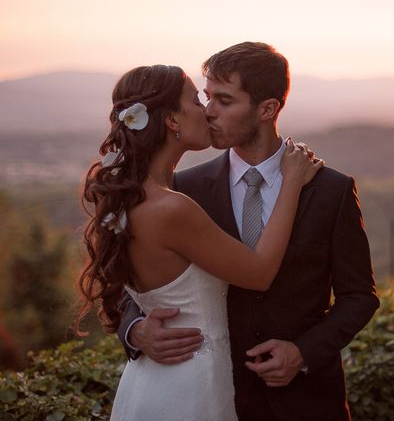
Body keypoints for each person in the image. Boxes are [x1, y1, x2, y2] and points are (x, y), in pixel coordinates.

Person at [117, 42, 379, 421]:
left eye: (224, 100)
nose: (209, 112)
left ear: (267, 109)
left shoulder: (330, 190)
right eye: (206, 98)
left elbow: (360, 296)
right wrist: (135, 330)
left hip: (306, 403)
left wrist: (303, 352)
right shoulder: (182, 189)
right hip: (212, 393)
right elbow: (141, 282)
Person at [77, 64, 322, 420]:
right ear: (172, 121)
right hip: (188, 386)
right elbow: (259, 273)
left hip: (153, 380)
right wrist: (291, 183)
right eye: (195, 100)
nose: (206, 110)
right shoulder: (172, 207)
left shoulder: (131, 199)